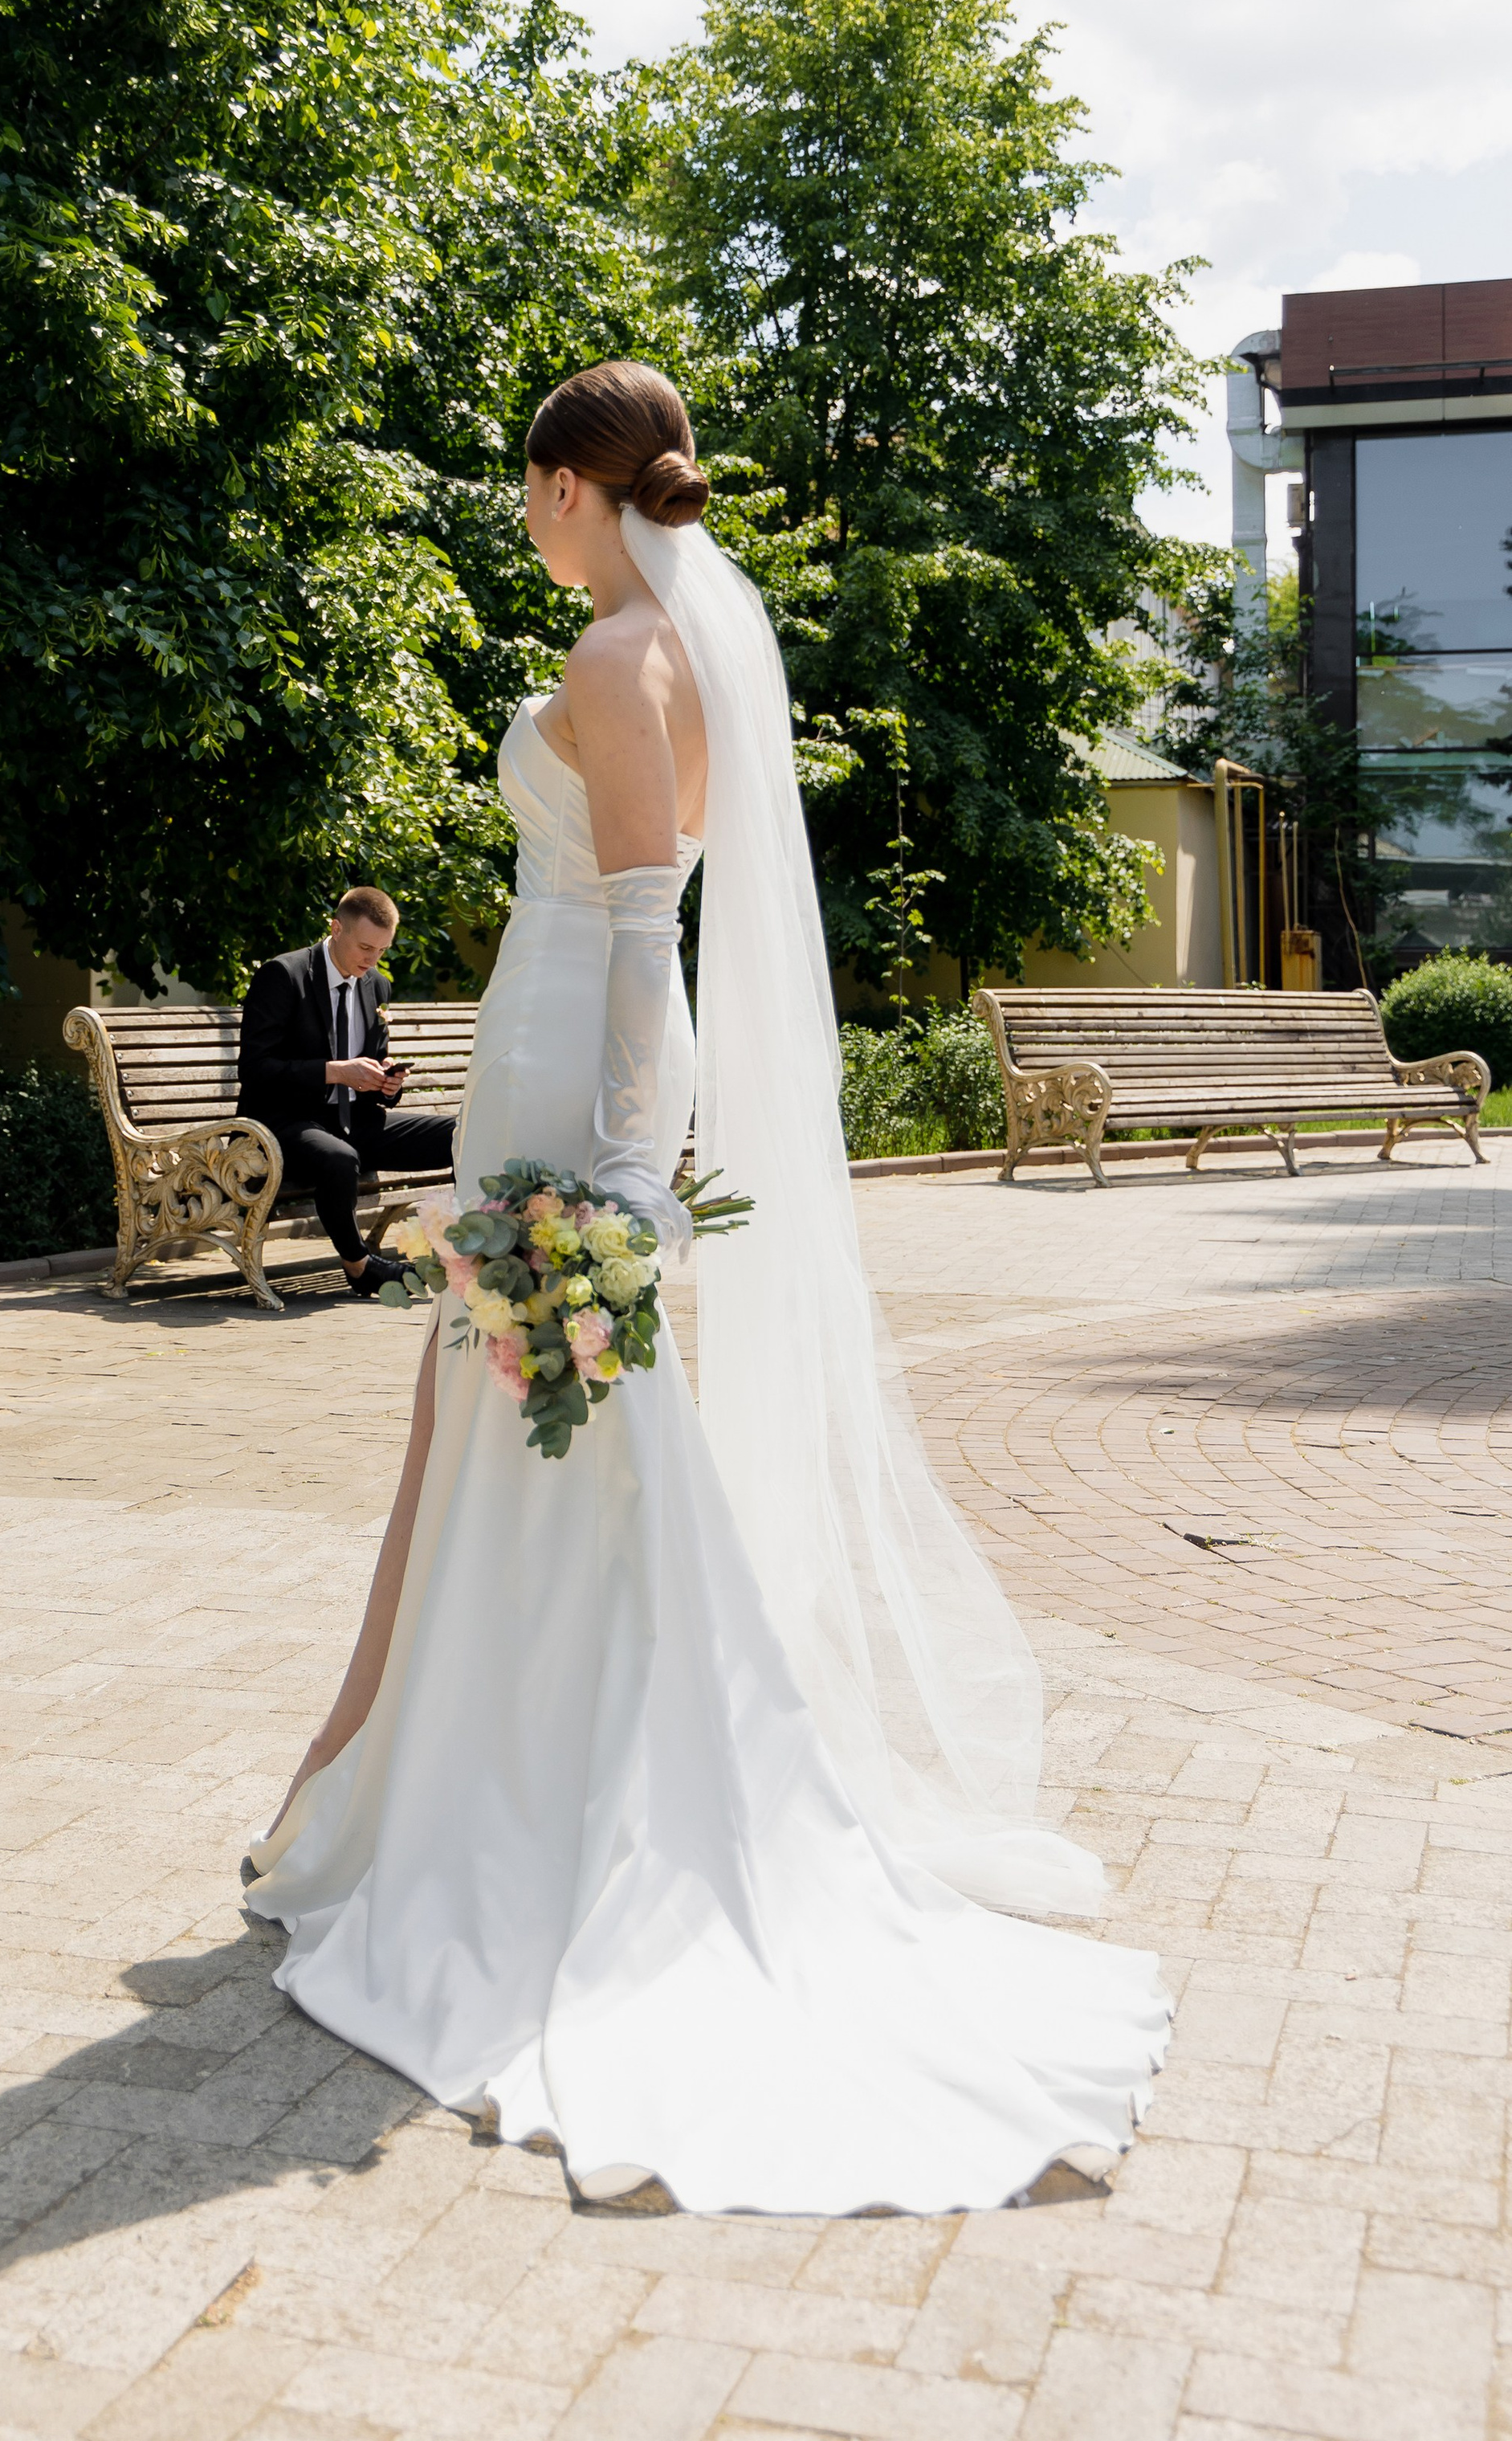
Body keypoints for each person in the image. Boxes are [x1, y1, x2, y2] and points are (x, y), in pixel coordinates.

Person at [246, 362, 1170, 2216]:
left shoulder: (615, 658)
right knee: (485, 1441)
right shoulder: (662, 639)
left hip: (557, 1104)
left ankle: (536, 1823)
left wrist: (611, 1177)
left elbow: (639, 937)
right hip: (545, 1077)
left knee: (567, 1448)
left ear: (567, 484)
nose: (519, 509)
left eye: (525, 481)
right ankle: (388, 1777)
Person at [237, 888, 457, 1299]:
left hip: (354, 1121)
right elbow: (253, 1069)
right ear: (336, 928)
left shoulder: (377, 986)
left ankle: (464, 1253)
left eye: (382, 950)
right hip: (284, 1122)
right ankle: (360, 1268)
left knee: (463, 1132)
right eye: (365, 947)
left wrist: (387, 1084)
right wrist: (335, 1072)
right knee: (340, 1159)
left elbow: (372, 1067)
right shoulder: (285, 975)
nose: (372, 960)